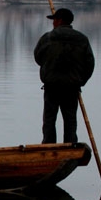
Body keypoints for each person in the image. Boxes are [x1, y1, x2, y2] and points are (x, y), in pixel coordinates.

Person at [33, 8, 95, 144]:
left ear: (60, 20)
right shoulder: (82, 39)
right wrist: (80, 81)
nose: (53, 23)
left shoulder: (48, 38)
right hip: (72, 86)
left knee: (49, 119)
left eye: (54, 20)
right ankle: (70, 145)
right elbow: (90, 64)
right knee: (70, 118)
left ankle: (48, 146)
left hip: (52, 86)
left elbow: (38, 58)